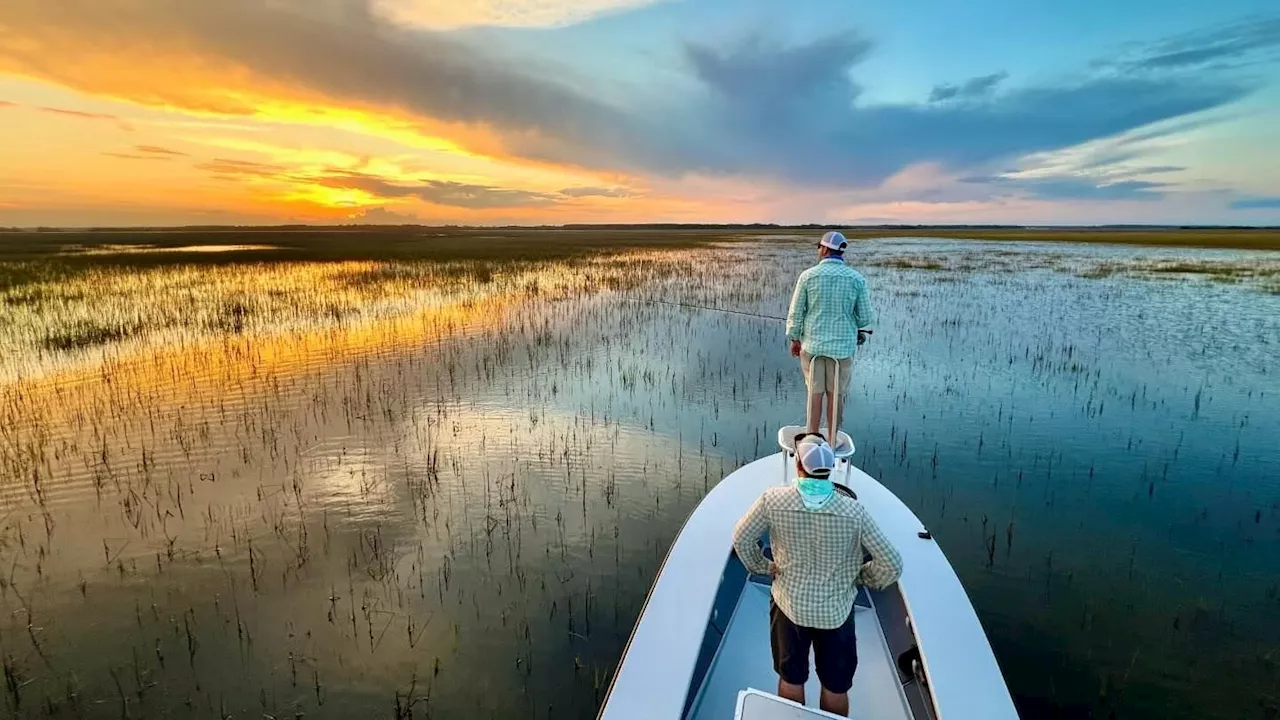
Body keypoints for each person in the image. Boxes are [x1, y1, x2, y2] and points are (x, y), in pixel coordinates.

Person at [732, 434, 903, 716]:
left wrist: (764, 567)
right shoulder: (854, 511)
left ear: (799, 465)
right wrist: (861, 577)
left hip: (789, 608)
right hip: (835, 615)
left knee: (791, 678)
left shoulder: (772, 501)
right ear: (830, 469)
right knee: (836, 686)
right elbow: (892, 564)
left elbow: (741, 538)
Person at [786, 231, 876, 439]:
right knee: (836, 395)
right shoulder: (856, 279)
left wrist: (794, 339)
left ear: (825, 249)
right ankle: (832, 440)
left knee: (814, 394)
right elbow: (865, 318)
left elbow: (795, 312)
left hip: (812, 348)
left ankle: (812, 438)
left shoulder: (808, 276)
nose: (818, 250)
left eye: (819, 246)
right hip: (842, 350)